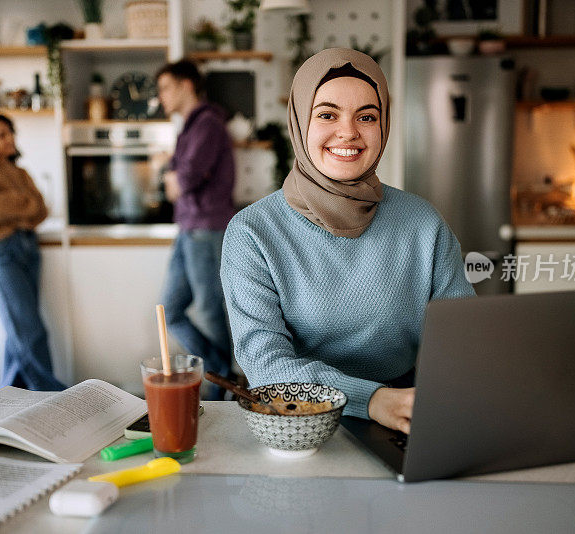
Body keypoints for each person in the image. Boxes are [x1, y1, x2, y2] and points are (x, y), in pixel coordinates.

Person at [220, 49, 475, 434]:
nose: (349, 132)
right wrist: (370, 399)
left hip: (407, 419)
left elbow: (462, 339)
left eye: (367, 117)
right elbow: (265, 363)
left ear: (383, 126)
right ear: (300, 121)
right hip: (298, 420)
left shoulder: (423, 223)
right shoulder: (253, 232)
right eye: (327, 114)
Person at [0, 108, 65, 391]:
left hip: (28, 249)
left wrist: (15, 208)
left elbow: (41, 209)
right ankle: (51, 394)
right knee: (30, 331)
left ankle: (7, 396)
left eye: (11, 133)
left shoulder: (19, 171)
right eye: (1, 134)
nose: (10, 139)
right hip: (1, 252)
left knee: (18, 331)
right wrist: (23, 206)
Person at [155, 60, 236, 397]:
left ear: (187, 85)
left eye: (166, 88)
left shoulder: (207, 124)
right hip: (189, 227)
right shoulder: (191, 126)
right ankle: (222, 374)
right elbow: (175, 179)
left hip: (205, 228)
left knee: (208, 310)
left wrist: (171, 175)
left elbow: (182, 181)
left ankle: (219, 385)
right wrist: (172, 176)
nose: (161, 97)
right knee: (170, 310)